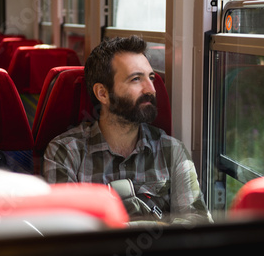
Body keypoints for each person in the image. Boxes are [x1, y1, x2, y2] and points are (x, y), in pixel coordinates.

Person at [43, 36, 212, 225]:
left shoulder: (172, 151)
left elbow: (198, 225)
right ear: (103, 93)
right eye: (136, 79)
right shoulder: (66, 152)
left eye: (151, 77)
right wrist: (156, 226)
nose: (151, 89)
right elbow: (64, 235)